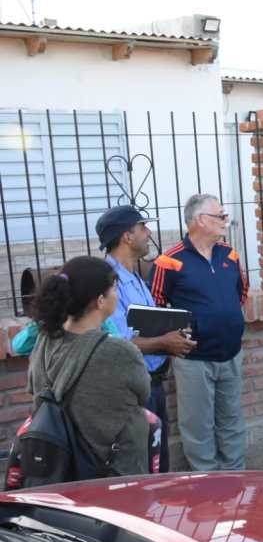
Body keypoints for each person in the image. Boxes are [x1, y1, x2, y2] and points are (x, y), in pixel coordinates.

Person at [150, 194, 248, 471]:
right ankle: (207, 482)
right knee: (198, 426)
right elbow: (154, 307)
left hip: (231, 353)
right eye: (220, 216)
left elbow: (241, 293)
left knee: (232, 421)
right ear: (201, 220)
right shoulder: (169, 261)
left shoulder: (229, 254)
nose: (225, 220)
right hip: (194, 360)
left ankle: (235, 477)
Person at [27, 256, 151, 476]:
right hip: (111, 469)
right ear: (100, 301)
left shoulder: (44, 340)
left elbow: (33, 388)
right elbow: (144, 393)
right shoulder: (119, 352)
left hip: (57, 464)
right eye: (115, 289)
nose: (117, 295)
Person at [97, 204, 197, 472]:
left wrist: (173, 334)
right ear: (127, 236)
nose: (149, 233)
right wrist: (164, 342)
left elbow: (147, 327)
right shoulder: (108, 281)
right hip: (131, 390)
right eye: (143, 227)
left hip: (152, 383)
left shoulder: (135, 276)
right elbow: (119, 343)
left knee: (157, 462)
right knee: (141, 465)